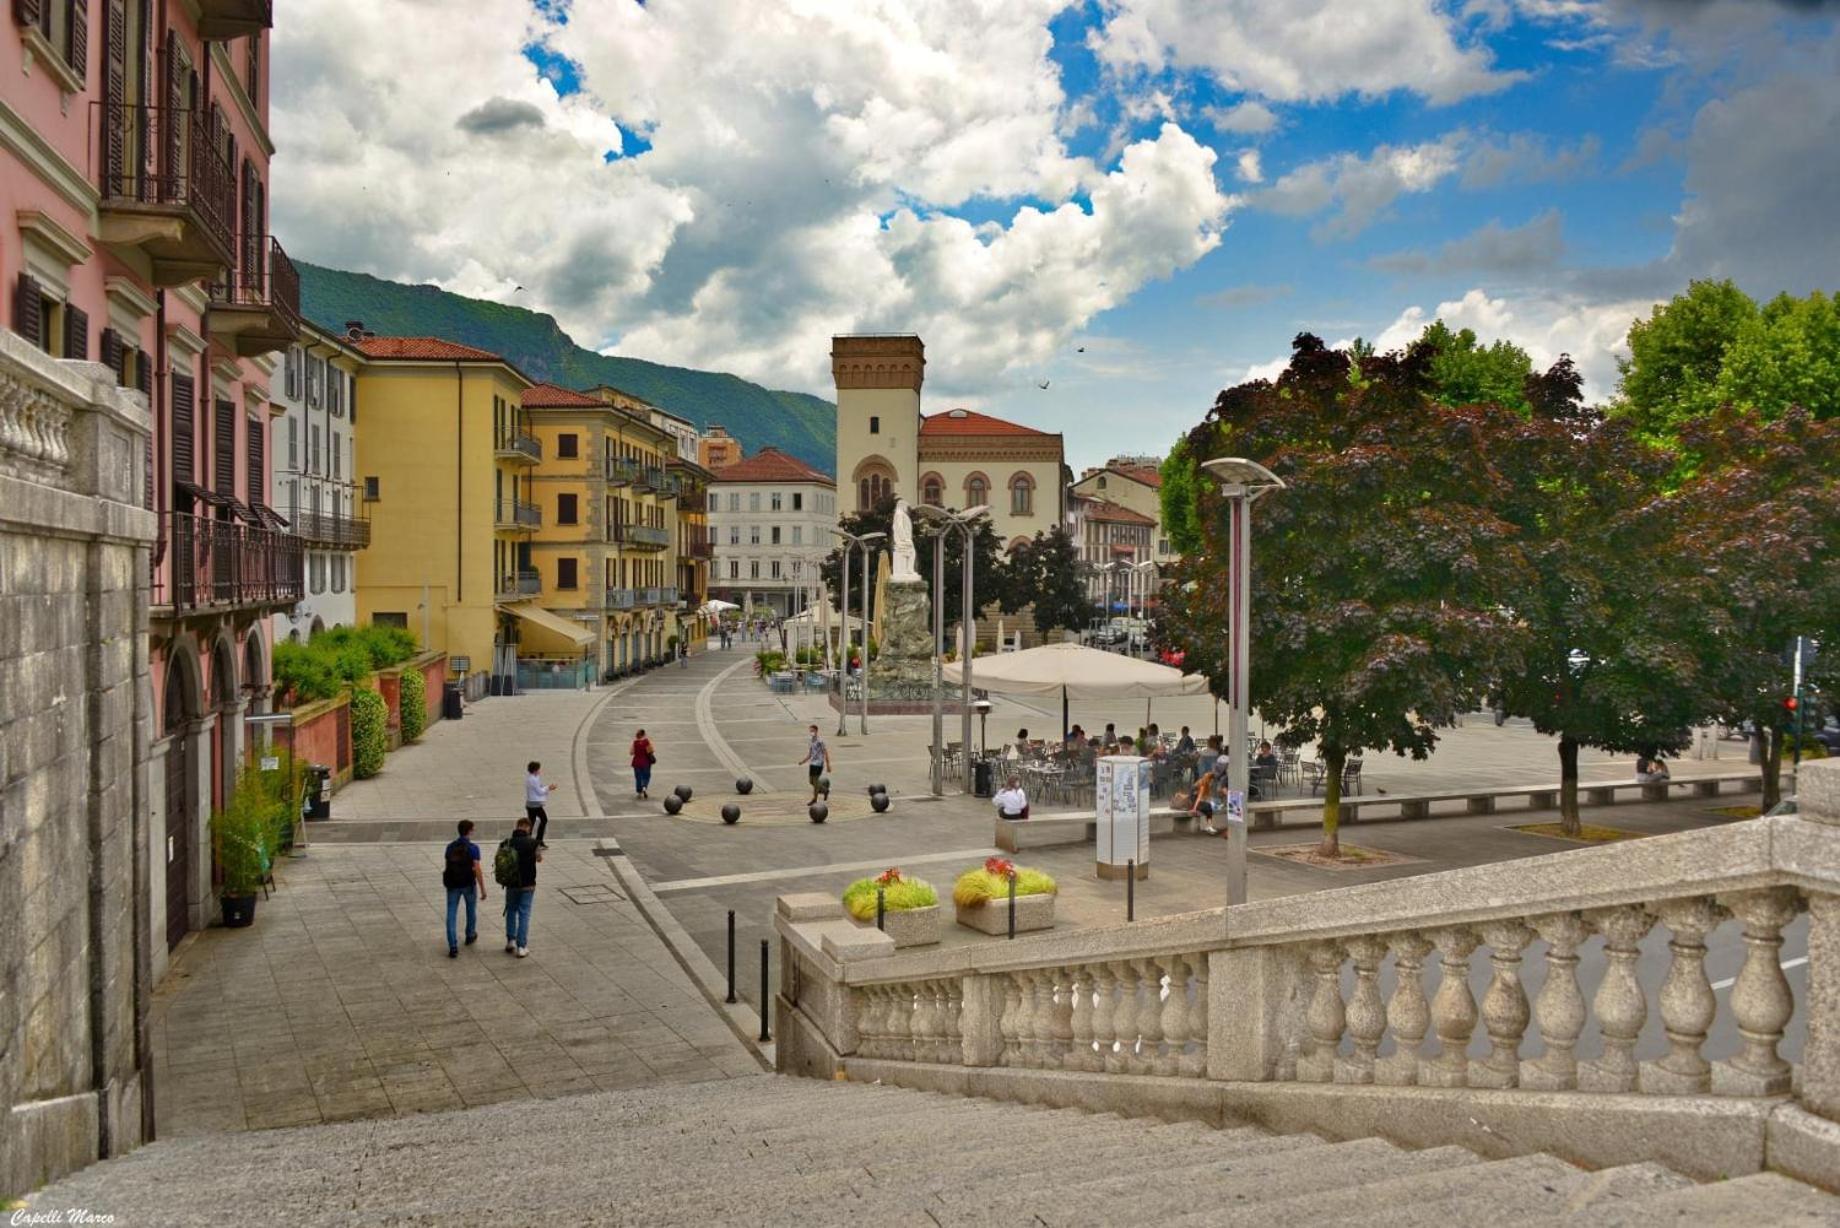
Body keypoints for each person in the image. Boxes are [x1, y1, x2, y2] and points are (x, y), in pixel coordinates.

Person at [441, 820, 486, 957]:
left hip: (453, 884)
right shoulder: (473, 848)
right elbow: (477, 869)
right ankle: (470, 934)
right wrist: (482, 888)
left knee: (451, 913)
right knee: (471, 910)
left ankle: (453, 945)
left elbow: (447, 865)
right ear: (470, 831)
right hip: (468, 884)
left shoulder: (450, 847)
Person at [504, 815, 541, 957]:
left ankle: (510, 940)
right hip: (528, 884)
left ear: (517, 826)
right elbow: (539, 859)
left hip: (511, 884)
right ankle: (521, 946)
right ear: (528, 828)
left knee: (511, 911)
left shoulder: (506, 842)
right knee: (524, 913)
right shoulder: (533, 843)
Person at [525, 760, 557, 848]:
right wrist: (549, 788)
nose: (540, 771)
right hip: (534, 804)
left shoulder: (533, 777)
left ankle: (530, 840)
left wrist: (545, 787)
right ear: (535, 770)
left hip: (531, 803)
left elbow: (540, 787)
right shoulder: (532, 780)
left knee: (532, 822)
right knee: (543, 820)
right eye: (538, 769)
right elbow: (540, 792)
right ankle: (538, 840)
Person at [798, 723, 832, 803]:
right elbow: (810, 753)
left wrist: (828, 764)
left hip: (819, 763)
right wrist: (803, 761)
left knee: (816, 781)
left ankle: (815, 799)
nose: (811, 732)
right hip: (812, 763)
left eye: (812, 731)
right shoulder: (811, 741)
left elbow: (825, 752)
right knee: (811, 781)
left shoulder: (820, 741)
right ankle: (825, 790)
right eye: (810, 731)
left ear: (816, 731)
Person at [631, 729, 656, 799]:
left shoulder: (635, 742)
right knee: (646, 776)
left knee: (638, 777)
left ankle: (639, 790)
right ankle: (644, 786)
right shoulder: (646, 742)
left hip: (636, 762)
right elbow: (651, 751)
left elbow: (631, 752)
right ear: (644, 734)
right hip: (645, 763)